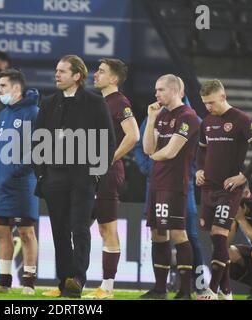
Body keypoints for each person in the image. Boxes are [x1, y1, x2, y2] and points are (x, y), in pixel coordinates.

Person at [34, 55, 116, 298]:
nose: (56, 75)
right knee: (59, 230)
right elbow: (37, 140)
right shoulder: (48, 102)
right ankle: (64, 282)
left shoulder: (94, 101)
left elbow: (108, 141)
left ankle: (78, 278)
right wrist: (42, 175)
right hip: (53, 178)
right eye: (56, 71)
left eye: (62, 71)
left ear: (77, 76)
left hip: (83, 178)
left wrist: (96, 175)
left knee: (79, 228)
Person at [196, 79, 252, 300]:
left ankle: (212, 290)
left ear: (223, 97)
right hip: (208, 189)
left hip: (229, 190)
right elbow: (201, 150)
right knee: (217, 240)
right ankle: (226, 293)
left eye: (211, 102)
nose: (208, 107)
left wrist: (243, 176)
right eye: (205, 103)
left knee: (219, 235)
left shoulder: (241, 119)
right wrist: (199, 170)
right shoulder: (206, 122)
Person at [133, 78, 204, 294]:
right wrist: (152, 118)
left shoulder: (188, 117)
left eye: (160, 90)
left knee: (178, 235)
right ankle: (160, 289)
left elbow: (171, 151)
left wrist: (154, 156)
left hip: (175, 184)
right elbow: (146, 147)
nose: (156, 94)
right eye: (155, 89)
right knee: (158, 234)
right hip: (156, 183)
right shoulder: (160, 115)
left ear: (175, 91)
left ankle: (185, 290)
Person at [82, 58, 139, 299]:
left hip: (106, 174)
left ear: (114, 79)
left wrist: (108, 159)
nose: (95, 75)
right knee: (77, 227)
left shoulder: (120, 102)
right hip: (86, 173)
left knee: (107, 228)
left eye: (101, 72)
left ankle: (107, 287)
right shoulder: (96, 102)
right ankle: (72, 282)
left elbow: (133, 135)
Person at [0, 68, 39, 295]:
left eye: (3, 86)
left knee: (26, 233)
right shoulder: (4, 113)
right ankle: (4, 283)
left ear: (16, 88)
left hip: (21, 184)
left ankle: (28, 282)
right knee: (0, 230)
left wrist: (17, 171)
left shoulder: (33, 113)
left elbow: (38, 149)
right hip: (0, 184)